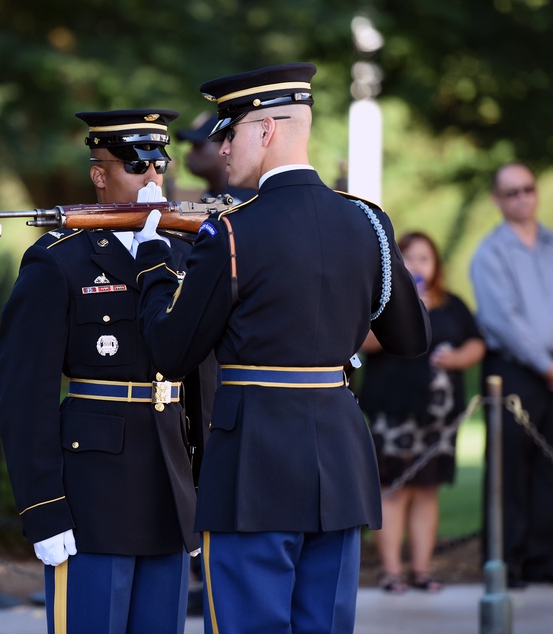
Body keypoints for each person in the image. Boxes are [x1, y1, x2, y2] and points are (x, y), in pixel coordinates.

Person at [132, 63, 431, 633]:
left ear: (265, 131)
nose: (220, 149)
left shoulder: (234, 233)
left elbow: (171, 351)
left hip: (254, 466)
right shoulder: (368, 221)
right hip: (339, 462)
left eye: (230, 132)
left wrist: (152, 261)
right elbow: (410, 339)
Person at [0, 109, 200, 634]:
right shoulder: (58, 262)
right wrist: (43, 507)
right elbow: (26, 396)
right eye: (136, 166)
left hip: (170, 488)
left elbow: (202, 377)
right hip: (93, 498)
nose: (152, 179)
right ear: (99, 173)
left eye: (160, 164)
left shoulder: (184, 256)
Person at [470, 161, 553, 587]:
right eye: (512, 192)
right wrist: (548, 366)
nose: (522, 197)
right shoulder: (490, 254)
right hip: (514, 371)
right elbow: (503, 319)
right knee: (511, 469)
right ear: (497, 200)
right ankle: (508, 562)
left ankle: (546, 558)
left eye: (528, 189)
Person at [359, 231, 485, 594]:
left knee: (427, 490)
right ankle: (391, 572)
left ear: (436, 266)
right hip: (393, 413)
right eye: (410, 257)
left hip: (439, 417)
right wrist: (405, 310)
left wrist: (460, 358)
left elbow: (476, 341)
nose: (417, 265)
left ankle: (422, 570)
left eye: (425, 258)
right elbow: (364, 341)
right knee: (393, 490)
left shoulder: (451, 303)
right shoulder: (383, 300)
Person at [176, 112, 256, 203]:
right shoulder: (212, 195)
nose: (189, 153)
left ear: (225, 147)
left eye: (197, 145)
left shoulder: (243, 203)